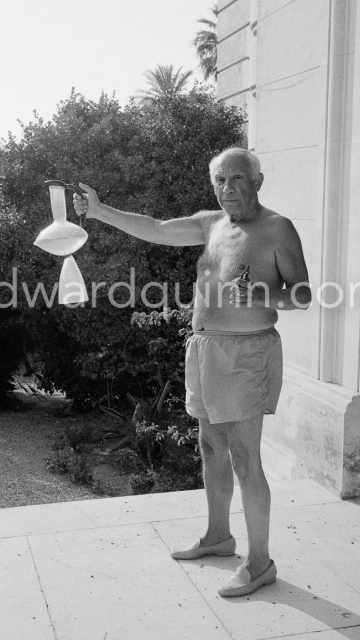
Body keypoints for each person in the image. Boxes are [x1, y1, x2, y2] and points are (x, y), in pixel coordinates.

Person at [73, 147, 311, 597]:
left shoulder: (277, 228)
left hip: (247, 354)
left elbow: (302, 295)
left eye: (238, 178)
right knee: (210, 447)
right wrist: (100, 211)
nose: (228, 188)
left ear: (257, 182)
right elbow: (157, 229)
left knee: (245, 458)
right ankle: (218, 537)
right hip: (204, 349)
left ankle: (260, 563)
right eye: (221, 180)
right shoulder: (211, 223)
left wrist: (259, 295)